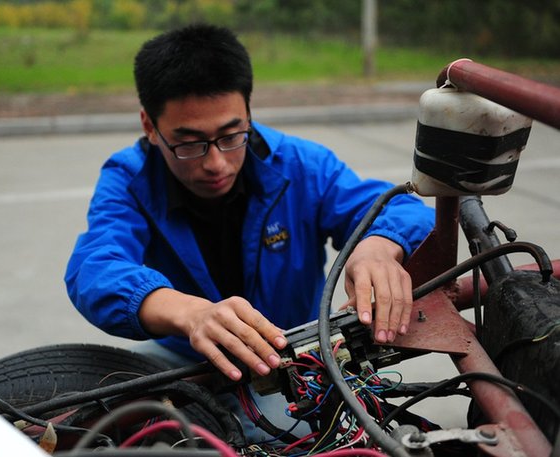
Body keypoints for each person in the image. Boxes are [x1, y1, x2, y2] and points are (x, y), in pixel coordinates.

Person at [65, 23, 435, 440]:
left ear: (249, 113)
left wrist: (379, 247)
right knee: (85, 417)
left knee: (304, 440)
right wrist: (192, 315)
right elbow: (94, 267)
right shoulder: (129, 177)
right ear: (150, 127)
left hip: (289, 358)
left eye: (231, 136)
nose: (216, 164)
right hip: (183, 354)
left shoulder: (301, 165)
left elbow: (401, 208)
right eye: (189, 143)